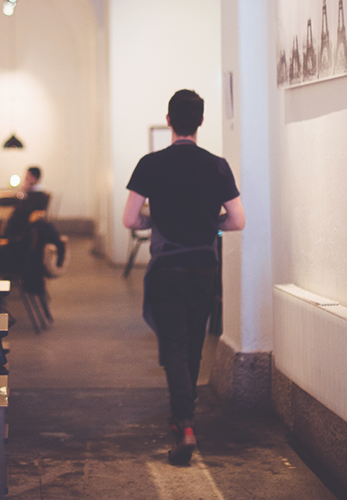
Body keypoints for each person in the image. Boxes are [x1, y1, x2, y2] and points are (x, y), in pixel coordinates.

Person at [123, 89, 245, 465]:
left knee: (174, 344)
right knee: (193, 343)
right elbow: (237, 220)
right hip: (204, 267)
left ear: (169, 120)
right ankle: (184, 417)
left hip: (167, 268)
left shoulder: (150, 163)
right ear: (202, 122)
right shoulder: (218, 165)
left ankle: (184, 423)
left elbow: (130, 219)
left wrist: (153, 219)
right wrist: (212, 226)